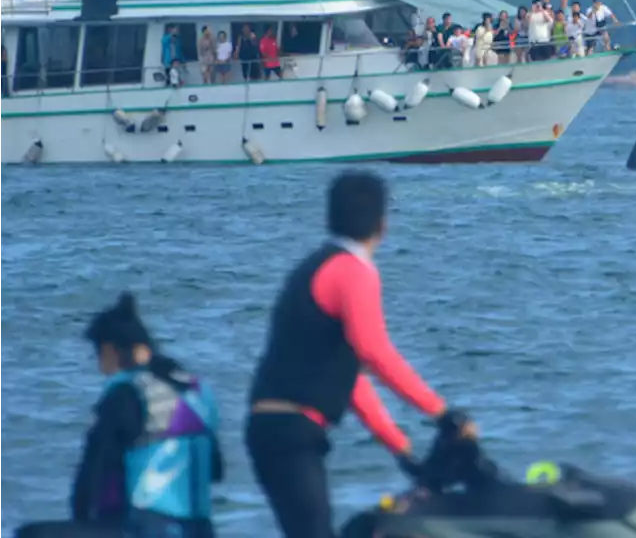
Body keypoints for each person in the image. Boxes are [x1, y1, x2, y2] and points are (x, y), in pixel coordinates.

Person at [245, 170, 475, 538]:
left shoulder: (316, 265)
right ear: (383, 224)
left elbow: (349, 375)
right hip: (291, 431)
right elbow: (374, 351)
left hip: (277, 430)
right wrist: (442, 413)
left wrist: (399, 447)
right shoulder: (354, 271)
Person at [15, 293, 224, 538]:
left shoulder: (127, 393)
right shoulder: (198, 392)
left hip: (144, 529)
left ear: (109, 351)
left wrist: (82, 521)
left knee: (30, 534)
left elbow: (91, 474)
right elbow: (216, 471)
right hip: (200, 529)